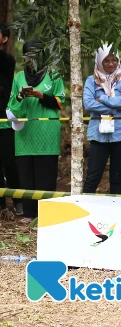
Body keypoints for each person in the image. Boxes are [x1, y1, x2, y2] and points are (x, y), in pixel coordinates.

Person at [8, 40, 65, 222]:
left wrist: (41, 96)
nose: (31, 58)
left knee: (46, 173)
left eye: (35, 54)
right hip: (25, 133)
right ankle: (29, 213)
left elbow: (60, 103)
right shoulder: (18, 78)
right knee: (25, 173)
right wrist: (19, 96)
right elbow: (11, 107)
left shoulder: (53, 74)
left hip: (47, 131)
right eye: (28, 55)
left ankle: (46, 214)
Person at [82, 44, 121, 194]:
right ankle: (85, 209)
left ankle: (115, 213)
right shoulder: (91, 81)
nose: (111, 64)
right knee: (93, 176)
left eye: (114, 60)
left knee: (117, 177)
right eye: (106, 61)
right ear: (99, 62)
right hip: (99, 135)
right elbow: (88, 104)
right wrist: (116, 106)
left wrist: (103, 98)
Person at [0, 24, 22, 218]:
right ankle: (2, 207)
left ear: (4, 39)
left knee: (9, 161)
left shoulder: (7, 60)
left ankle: (18, 201)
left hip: (3, 117)